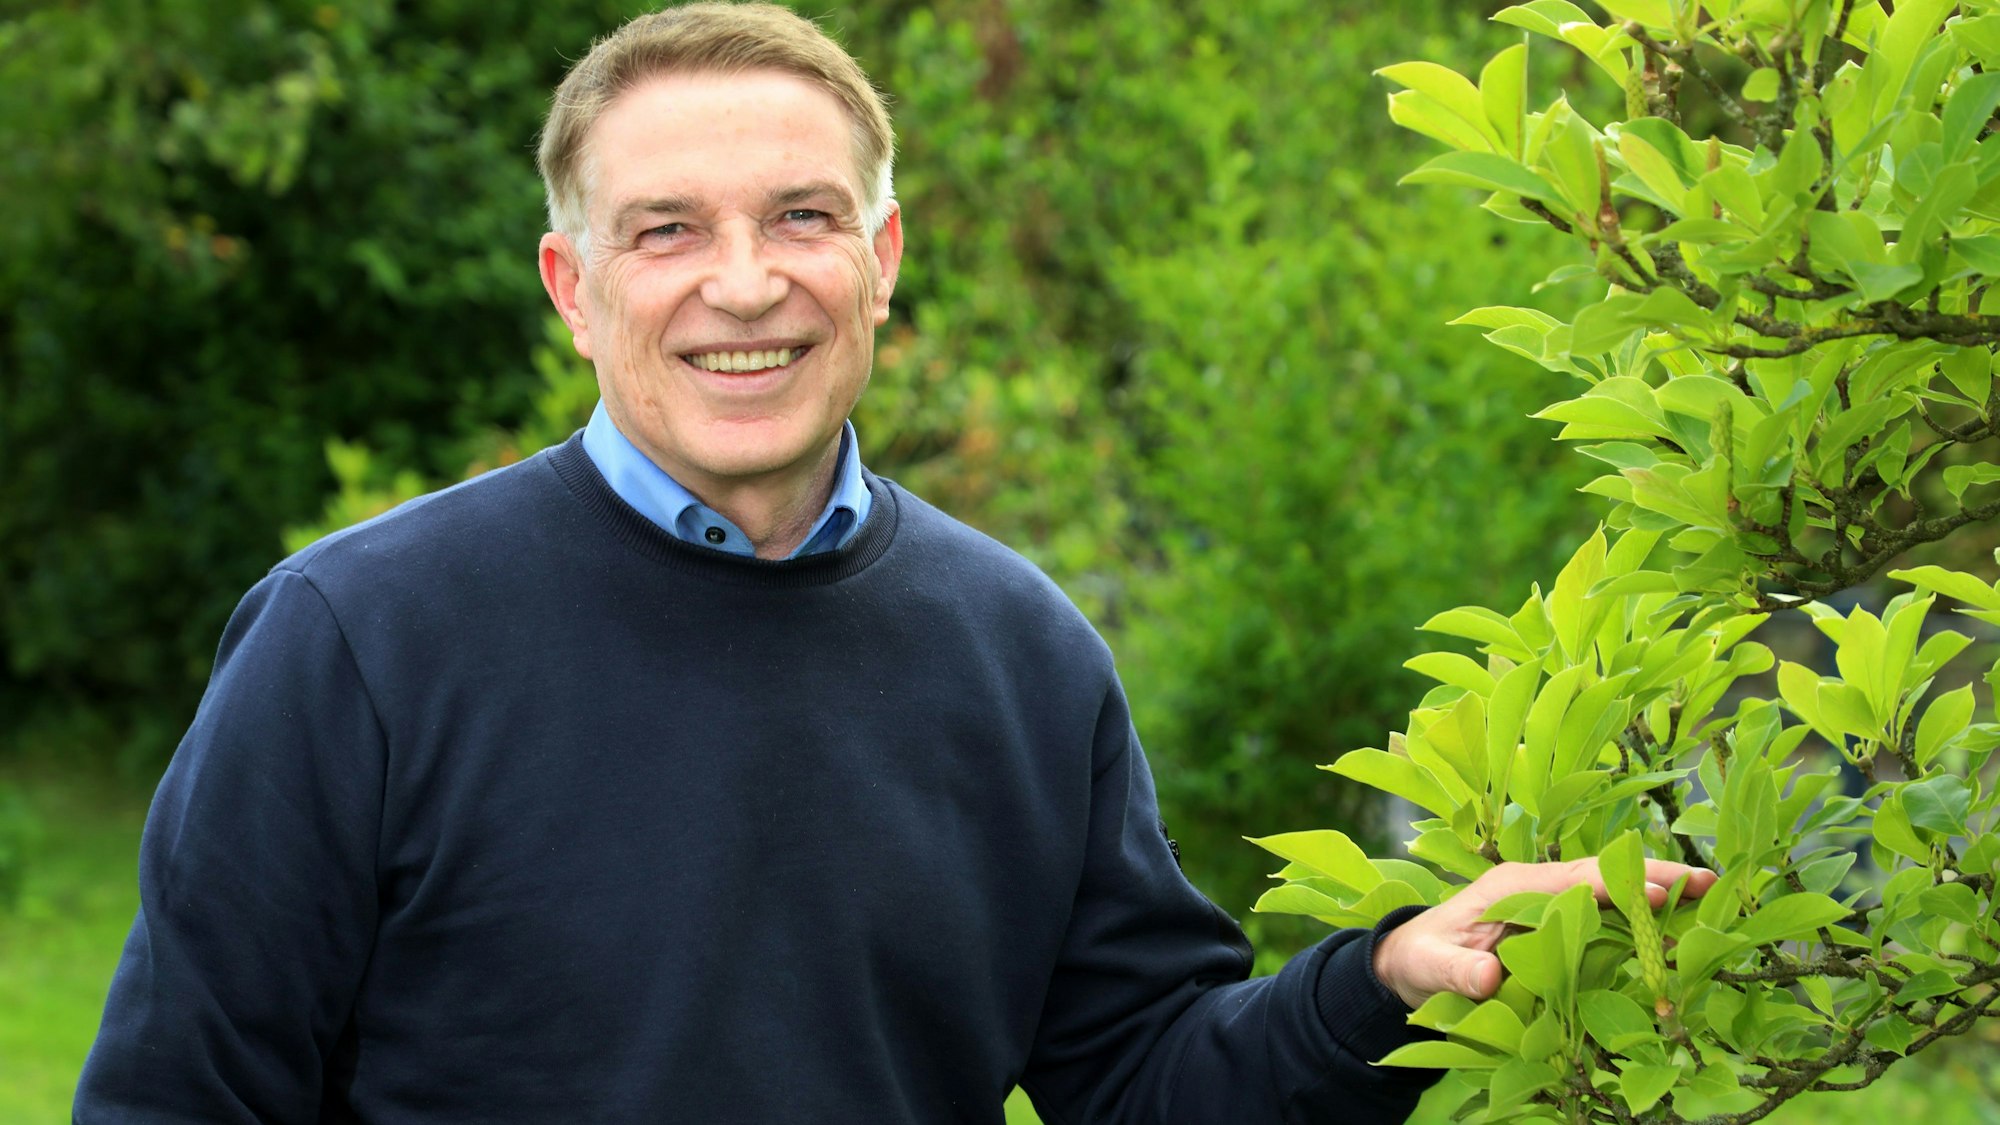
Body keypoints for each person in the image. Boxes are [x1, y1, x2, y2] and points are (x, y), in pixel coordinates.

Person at [73, 5, 1713, 1123]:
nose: (743, 284)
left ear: (881, 260)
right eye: (667, 232)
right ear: (573, 287)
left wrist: (1380, 983)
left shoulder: (1018, 652)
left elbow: (1139, 1074)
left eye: (801, 217)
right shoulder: (356, 638)